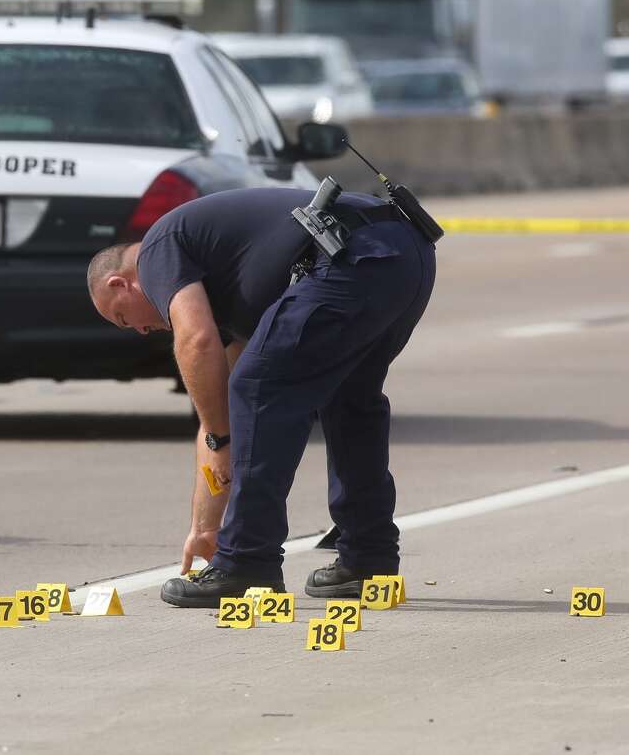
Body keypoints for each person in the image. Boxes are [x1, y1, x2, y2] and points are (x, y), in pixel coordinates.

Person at [87, 186, 435, 606]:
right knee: (348, 402)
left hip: (350, 254)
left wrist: (220, 436)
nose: (142, 331)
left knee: (259, 388)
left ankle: (246, 561)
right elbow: (226, 419)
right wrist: (204, 528)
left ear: (120, 284)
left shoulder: (156, 251)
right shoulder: (225, 281)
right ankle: (367, 560)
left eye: (124, 318)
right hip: (404, 253)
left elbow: (197, 344)